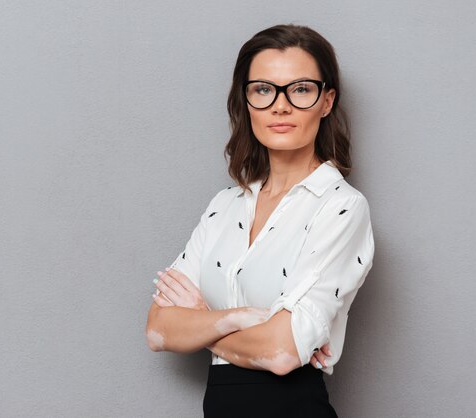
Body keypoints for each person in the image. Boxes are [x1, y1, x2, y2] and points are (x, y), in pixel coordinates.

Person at [145, 24, 374, 417]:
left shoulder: (341, 208)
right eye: (263, 89)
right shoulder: (224, 206)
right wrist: (240, 319)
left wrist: (202, 322)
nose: (280, 106)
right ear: (246, 100)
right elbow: (158, 329)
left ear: (326, 100)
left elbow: (282, 353)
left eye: (300, 89)